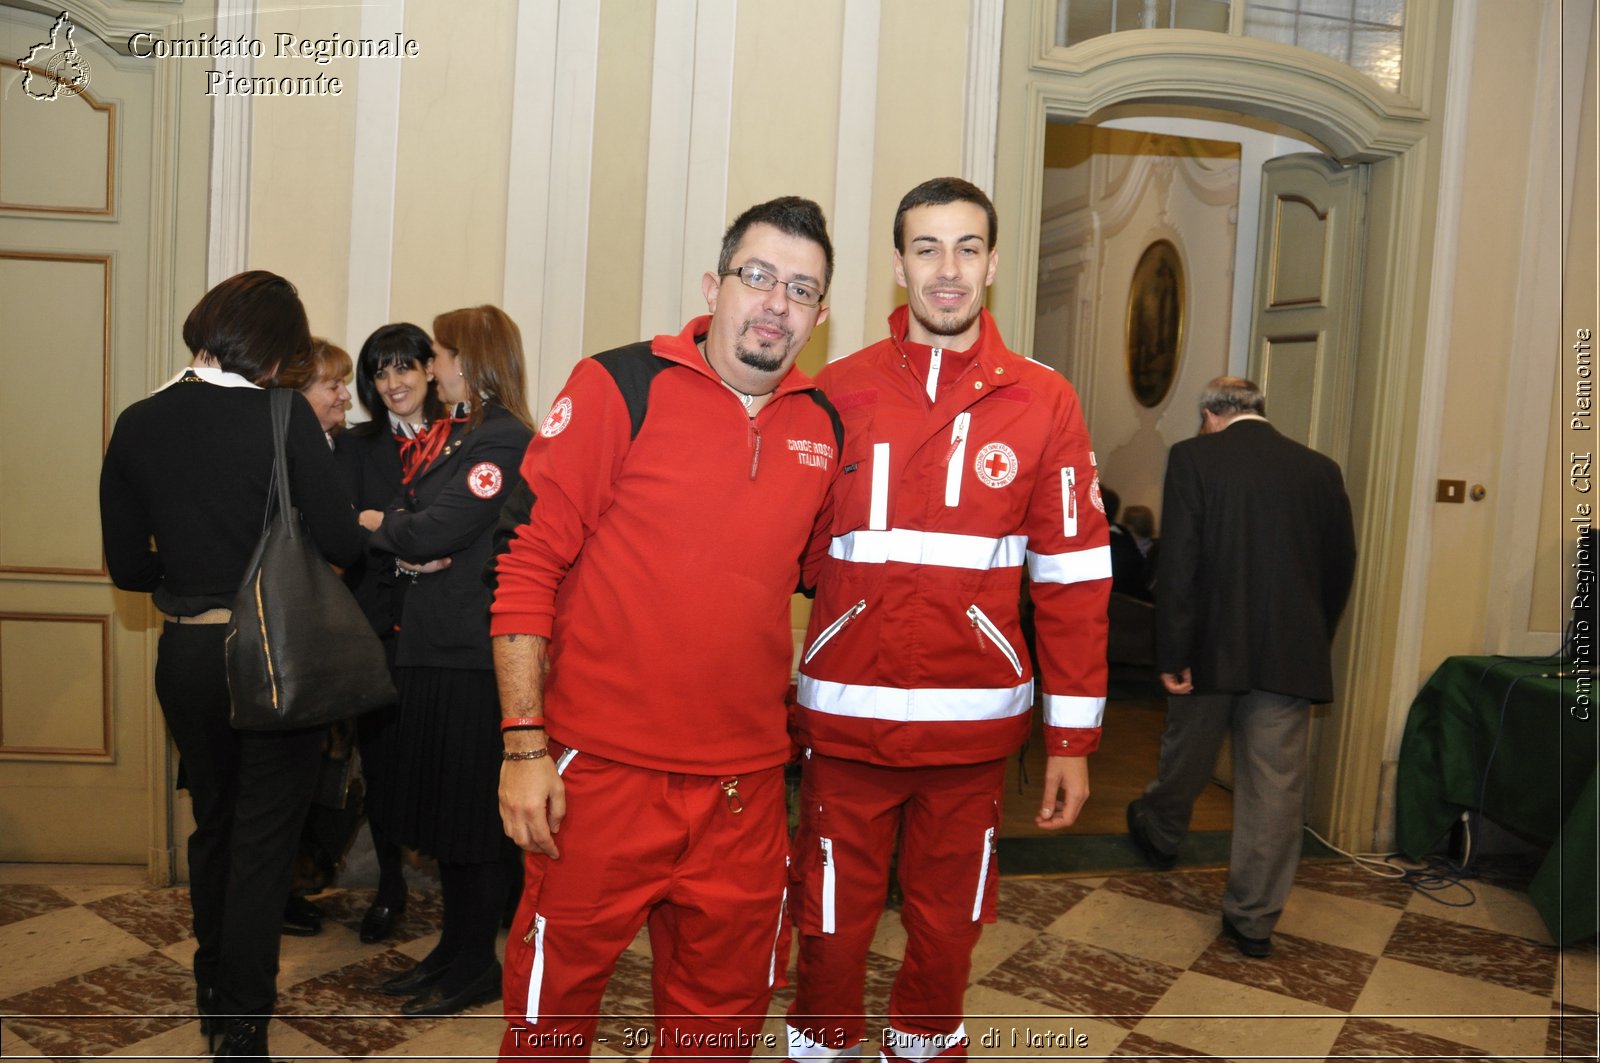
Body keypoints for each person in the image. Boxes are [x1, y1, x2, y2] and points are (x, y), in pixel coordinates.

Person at [489, 196, 842, 1059]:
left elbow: (832, 583)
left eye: (801, 288)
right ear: (714, 286)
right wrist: (525, 745)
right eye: (757, 276)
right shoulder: (620, 386)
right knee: (549, 1022)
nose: (775, 303)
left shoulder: (823, 430)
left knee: (717, 1030)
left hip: (745, 790)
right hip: (599, 774)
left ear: (821, 316)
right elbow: (528, 567)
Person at [786, 178, 1111, 1062]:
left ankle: (924, 1047)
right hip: (846, 719)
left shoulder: (1045, 400)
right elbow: (795, 548)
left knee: (949, 922)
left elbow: (1075, 578)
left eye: (967, 247)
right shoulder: (835, 389)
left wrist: (1072, 740)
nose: (947, 269)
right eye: (926, 248)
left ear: (993, 263)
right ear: (899, 266)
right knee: (827, 919)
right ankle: (821, 1047)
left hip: (972, 730)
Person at [98, 271, 365, 1062]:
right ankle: (242, 1024)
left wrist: (187, 576)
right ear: (280, 349)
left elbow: (125, 570)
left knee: (214, 821)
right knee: (264, 840)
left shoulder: (138, 420)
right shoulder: (281, 416)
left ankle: (213, 985)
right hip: (272, 654)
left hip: (185, 651)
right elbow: (345, 542)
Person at [1125, 376, 1356, 958]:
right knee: (1276, 791)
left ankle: (1160, 833)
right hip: (1289, 654)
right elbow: (1339, 568)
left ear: (1209, 415)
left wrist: (1172, 653)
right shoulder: (1319, 469)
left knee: (1186, 756)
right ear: (1259, 411)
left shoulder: (1194, 457)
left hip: (1207, 651)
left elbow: (1178, 562)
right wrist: (1311, 636)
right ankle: (1252, 921)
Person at [359, 306, 534, 1015]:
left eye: (438, 355)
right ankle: (453, 951)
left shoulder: (502, 439)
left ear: (472, 360)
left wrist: (383, 527)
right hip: (429, 645)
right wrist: (406, 537)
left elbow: (434, 526)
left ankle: (475, 965)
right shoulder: (457, 437)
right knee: (446, 820)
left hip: (468, 657)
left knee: (471, 823)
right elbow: (420, 527)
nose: (429, 369)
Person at [334, 323, 444, 944]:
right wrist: (405, 549)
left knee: (449, 759)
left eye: (405, 367)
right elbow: (346, 530)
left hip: (447, 630)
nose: (394, 382)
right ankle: (391, 888)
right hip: (377, 626)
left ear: (430, 369)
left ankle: (474, 882)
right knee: (382, 763)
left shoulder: (465, 439)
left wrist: (395, 528)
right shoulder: (354, 446)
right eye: (380, 372)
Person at [277, 337, 353, 442]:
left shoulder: (353, 446)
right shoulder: (276, 450)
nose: (347, 395)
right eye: (334, 387)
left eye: (343, 383)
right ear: (299, 394)